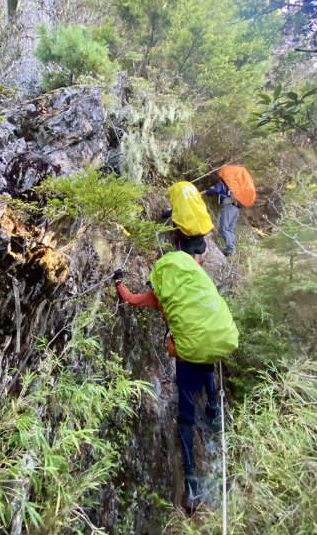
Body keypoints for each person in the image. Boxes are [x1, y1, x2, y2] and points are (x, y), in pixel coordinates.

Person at [113, 251, 238, 512]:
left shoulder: (159, 296)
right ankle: (214, 409)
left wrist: (118, 282)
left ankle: (191, 480)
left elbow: (130, 300)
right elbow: (195, 261)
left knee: (185, 413)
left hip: (186, 357)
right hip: (210, 343)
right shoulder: (194, 280)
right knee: (206, 366)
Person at [161, 181, 214, 260]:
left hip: (187, 243)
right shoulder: (197, 203)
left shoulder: (180, 207)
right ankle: (197, 258)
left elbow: (164, 215)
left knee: (184, 253)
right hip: (201, 242)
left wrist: (165, 212)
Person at [201, 180, 240, 256]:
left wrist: (205, 191)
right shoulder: (233, 185)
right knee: (230, 229)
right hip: (236, 208)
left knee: (224, 228)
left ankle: (230, 248)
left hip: (228, 206)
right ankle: (231, 248)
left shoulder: (221, 183)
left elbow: (216, 190)